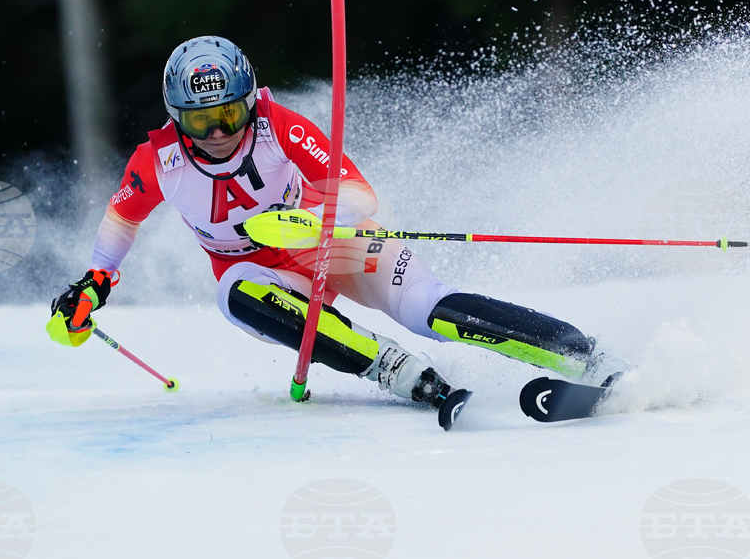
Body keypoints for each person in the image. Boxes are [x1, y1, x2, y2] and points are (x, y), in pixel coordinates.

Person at [49, 35, 628, 430]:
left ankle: (587, 357)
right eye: (201, 120)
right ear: (177, 116)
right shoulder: (159, 162)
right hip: (265, 276)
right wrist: (96, 282)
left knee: (430, 309)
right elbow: (121, 219)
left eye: (229, 114)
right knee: (234, 294)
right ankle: (398, 371)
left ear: (250, 101)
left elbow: (358, 195)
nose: (218, 133)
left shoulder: (280, 127)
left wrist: (316, 223)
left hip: (335, 245)